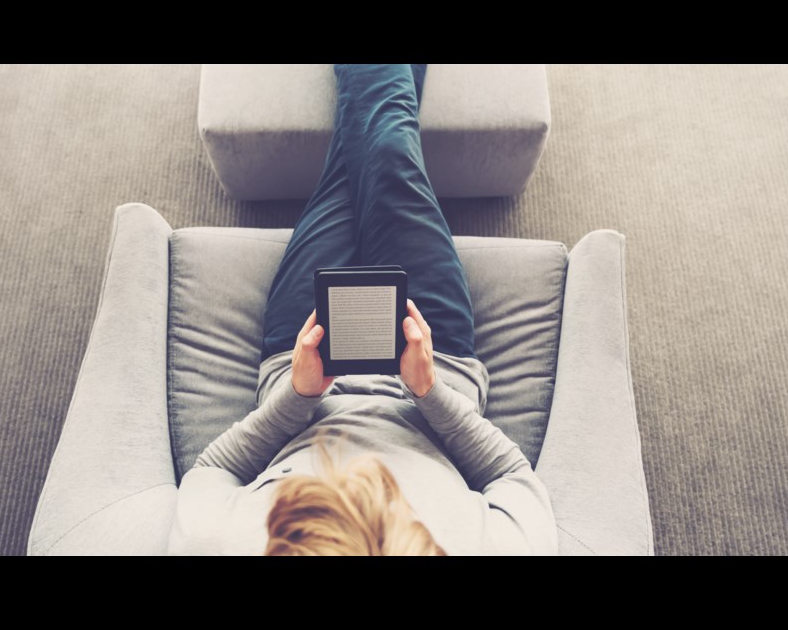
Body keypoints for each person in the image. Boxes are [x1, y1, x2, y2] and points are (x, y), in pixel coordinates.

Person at [167, 64, 557, 556]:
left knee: (357, 167)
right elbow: (511, 475)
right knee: (390, 156)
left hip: (300, 364)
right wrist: (427, 389)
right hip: (435, 360)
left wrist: (298, 394)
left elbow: (213, 473)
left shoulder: (217, 545)